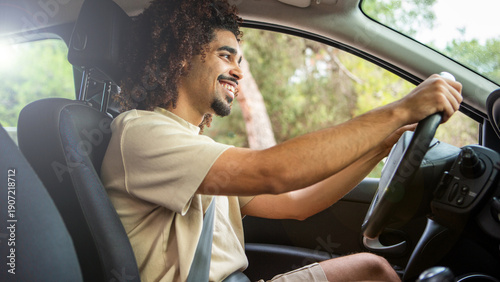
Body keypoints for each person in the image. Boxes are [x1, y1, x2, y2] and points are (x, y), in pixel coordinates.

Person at [100, 0, 463, 281]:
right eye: (225, 56)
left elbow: (298, 203)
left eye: (239, 59)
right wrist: (399, 110)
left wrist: (380, 146)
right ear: (180, 57)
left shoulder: (193, 147)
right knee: (374, 272)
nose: (239, 71)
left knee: (372, 271)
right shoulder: (141, 132)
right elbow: (275, 171)